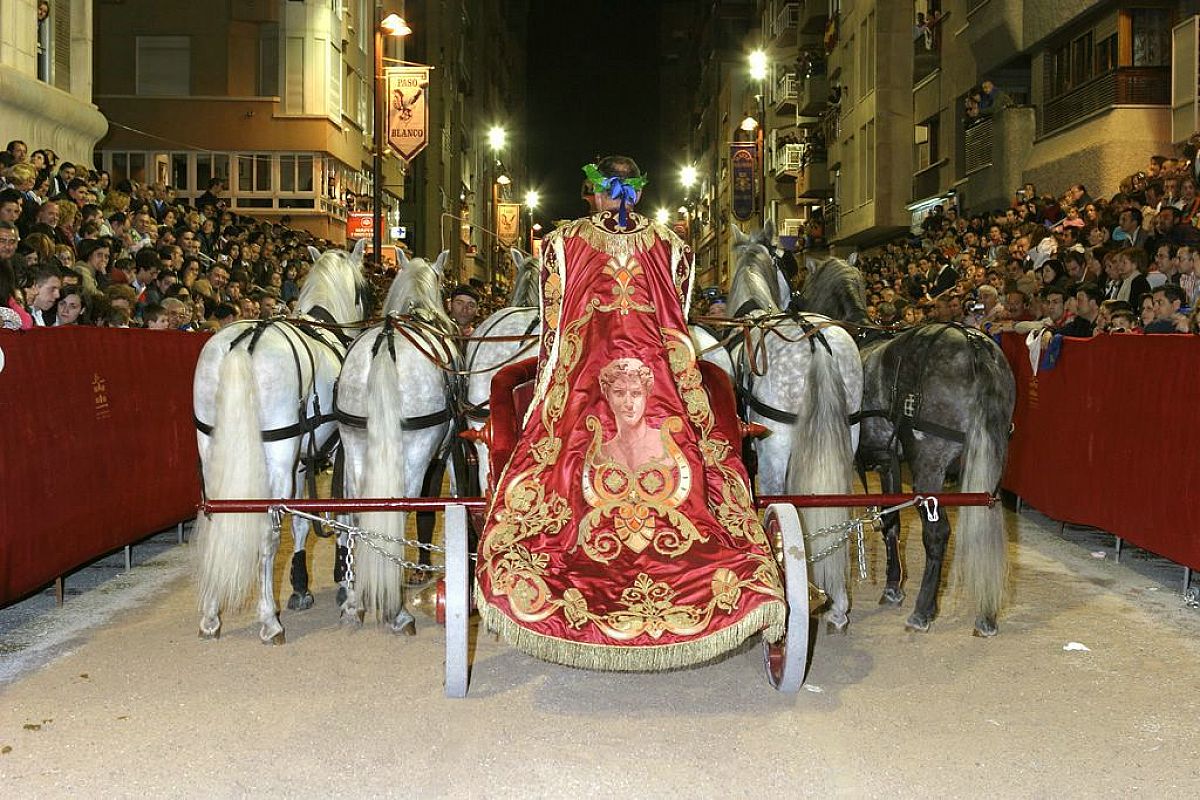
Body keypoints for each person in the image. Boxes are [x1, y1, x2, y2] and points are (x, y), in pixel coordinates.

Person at [475, 155, 785, 671]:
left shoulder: (561, 244)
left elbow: (554, 338)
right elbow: (678, 324)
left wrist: (549, 403)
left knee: (557, 471)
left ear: (595, 194)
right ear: (636, 194)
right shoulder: (673, 247)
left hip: (587, 391)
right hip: (660, 389)